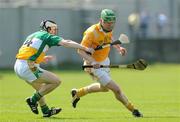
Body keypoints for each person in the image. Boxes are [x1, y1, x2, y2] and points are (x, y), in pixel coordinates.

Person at [71, 9, 143, 117]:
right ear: (101, 20)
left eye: (112, 22)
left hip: (105, 61)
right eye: (108, 22)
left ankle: (78, 93)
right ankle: (134, 110)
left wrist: (119, 48)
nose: (110, 25)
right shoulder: (91, 33)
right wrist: (93, 61)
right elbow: (80, 50)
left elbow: (109, 39)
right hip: (93, 65)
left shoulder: (108, 29)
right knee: (117, 90)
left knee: (104, 88)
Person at [14, 20, 93, 117]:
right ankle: (32, 100)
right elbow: (66, 43)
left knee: (40, 89)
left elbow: (28, 51)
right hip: (28, 67)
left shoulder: (33, 35)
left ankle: (46, 111)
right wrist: (84, 48)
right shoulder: (47, 36)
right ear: (47, 29)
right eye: (53, 29)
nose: (55, 31)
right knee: (56, 81)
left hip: (18, 65)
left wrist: (41, 58)